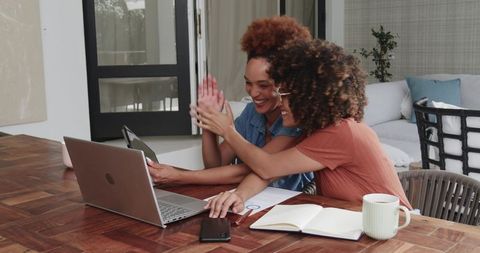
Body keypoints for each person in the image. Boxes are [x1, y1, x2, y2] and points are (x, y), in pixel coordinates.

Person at [195, 39, 413, 218]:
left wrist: (228, 131)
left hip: (393, 227)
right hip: (354, 223)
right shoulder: (318, 130)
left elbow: (267, 167)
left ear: (311, 98)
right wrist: (240, 195)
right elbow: (269, 171)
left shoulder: (341, 132)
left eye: (287, 96)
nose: (280, 102)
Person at [147, 16, 314, 191]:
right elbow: (216, 166)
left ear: (286, 83)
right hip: (249, 201)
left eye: (263, 85)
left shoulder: (295, 119)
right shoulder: (251, 113)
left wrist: (181, 176)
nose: (254, 93)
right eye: (248, 82)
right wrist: (209, 122)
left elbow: (254, 169)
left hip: (292, 205)